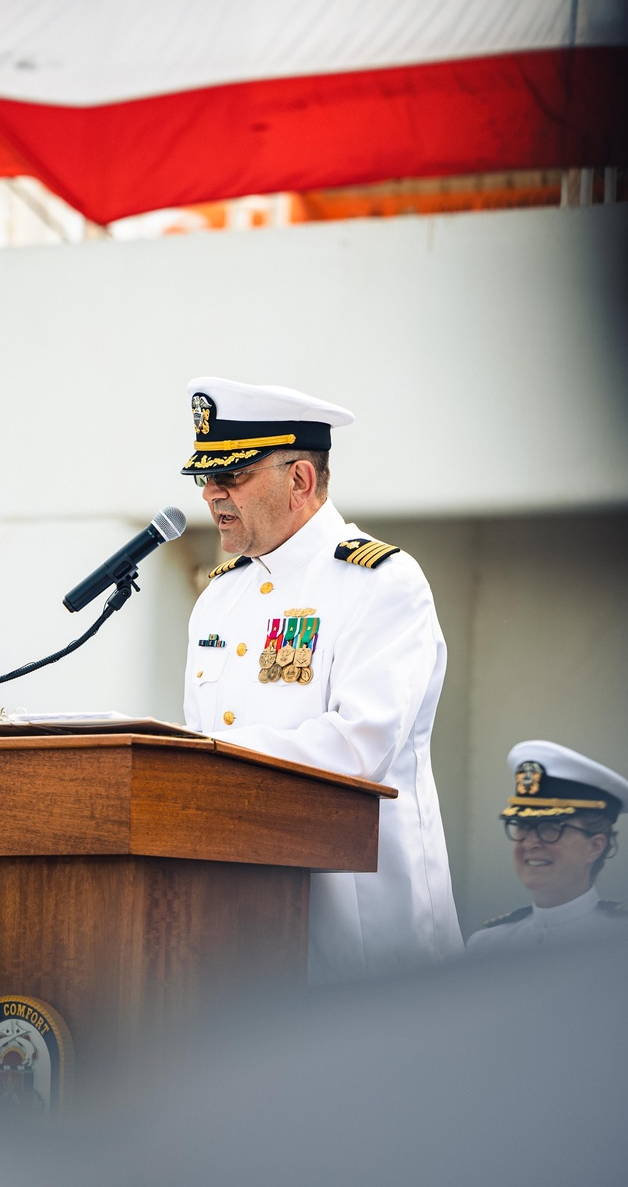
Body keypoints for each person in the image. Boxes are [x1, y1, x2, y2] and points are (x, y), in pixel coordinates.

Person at [181, 376, 461, 981]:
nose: (211, 494)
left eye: (230, 476)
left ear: (300, 480)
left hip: (365, 937)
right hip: (246, 932)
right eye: (205, 478)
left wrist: (203, 759)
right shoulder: (219, 599)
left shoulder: (381, 581)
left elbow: (359, 747)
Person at [467, 739, 628, 954]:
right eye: (523, 826)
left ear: (595, 847)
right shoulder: (487, 945)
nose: (531, 843)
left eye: (551, 828)